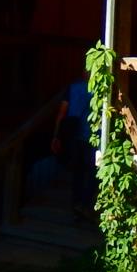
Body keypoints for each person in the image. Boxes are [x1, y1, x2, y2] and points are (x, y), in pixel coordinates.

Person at [48, 74, 97, 219]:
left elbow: (62, 113)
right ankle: (86, 205)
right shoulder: (100, 89)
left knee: (78, 172)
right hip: (94, 137)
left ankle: (76, 204)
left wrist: (56, 136)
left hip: (75, 134)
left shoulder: (73, 88)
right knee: (92, 172)